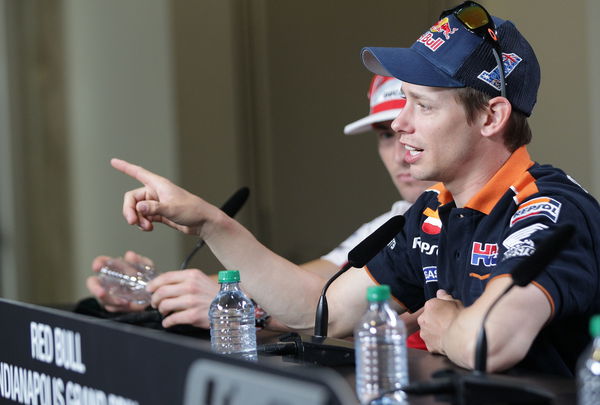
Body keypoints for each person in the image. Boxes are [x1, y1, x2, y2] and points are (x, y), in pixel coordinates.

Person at [105, 1, 600, 377]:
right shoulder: (435, 212)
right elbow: (318, 309)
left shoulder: (550, 210)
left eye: (422, 107)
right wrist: (210, 221)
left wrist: (447, 325)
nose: (401, 124)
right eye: (402, 102)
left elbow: (493, 339)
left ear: (491, 116)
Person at [86, 75, 433, 336]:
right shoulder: (397, 218)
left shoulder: (465, 220)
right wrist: (156, 290)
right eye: (387, 135)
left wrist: (238, 306)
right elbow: (312, 286)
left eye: (411, 125)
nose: (402, 151)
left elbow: (339, 317)